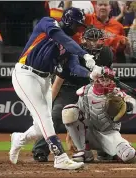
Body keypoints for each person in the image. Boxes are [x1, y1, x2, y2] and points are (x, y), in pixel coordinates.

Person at [9, 7, 106, 170]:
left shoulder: (71, 45)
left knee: (42, 127)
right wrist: (85, 55)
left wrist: (92, 74)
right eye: (76, 25)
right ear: (68, 21)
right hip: (25, 74)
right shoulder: (48, 23)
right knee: (44, 117)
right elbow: (62, 38)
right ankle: (60, 157)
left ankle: (19, 139)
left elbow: (74, 67)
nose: (77, 28)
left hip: (44, 79)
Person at [32, 27, 114, 162]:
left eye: (97, 40)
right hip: (67, 88)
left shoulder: (106, 54)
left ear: (102, 41)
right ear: (83, 40)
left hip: (91, 89)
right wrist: (48, 104)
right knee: (56, 115)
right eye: (90, 40)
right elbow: (58, 82)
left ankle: (105, 150)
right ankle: (40, 149)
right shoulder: (73, 52)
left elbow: (106, 80)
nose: (93, 44)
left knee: (101, 114)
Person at [61, 67, 136, 163]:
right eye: (102, 79)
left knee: (131, 156)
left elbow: (132, 101)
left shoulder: (117, 94)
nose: (105, 81)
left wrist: (128, 105)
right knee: (69, 111)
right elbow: (75, 116)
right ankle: (84, 152)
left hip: (109, 135)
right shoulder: (85, 91)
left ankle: (111, 151)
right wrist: (69, 136)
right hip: (87, 134)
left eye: (107, 79)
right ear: (95, 79)